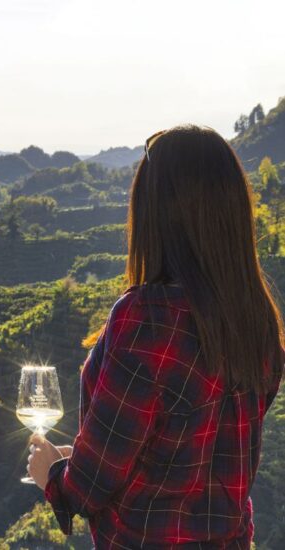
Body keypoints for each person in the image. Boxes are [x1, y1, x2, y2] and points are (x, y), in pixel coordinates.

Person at [27, 125, 283, 548]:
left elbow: (90, 489)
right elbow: (182, 458)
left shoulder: (148, 317)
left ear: (156, 214)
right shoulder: (257, 320)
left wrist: (51, 475)